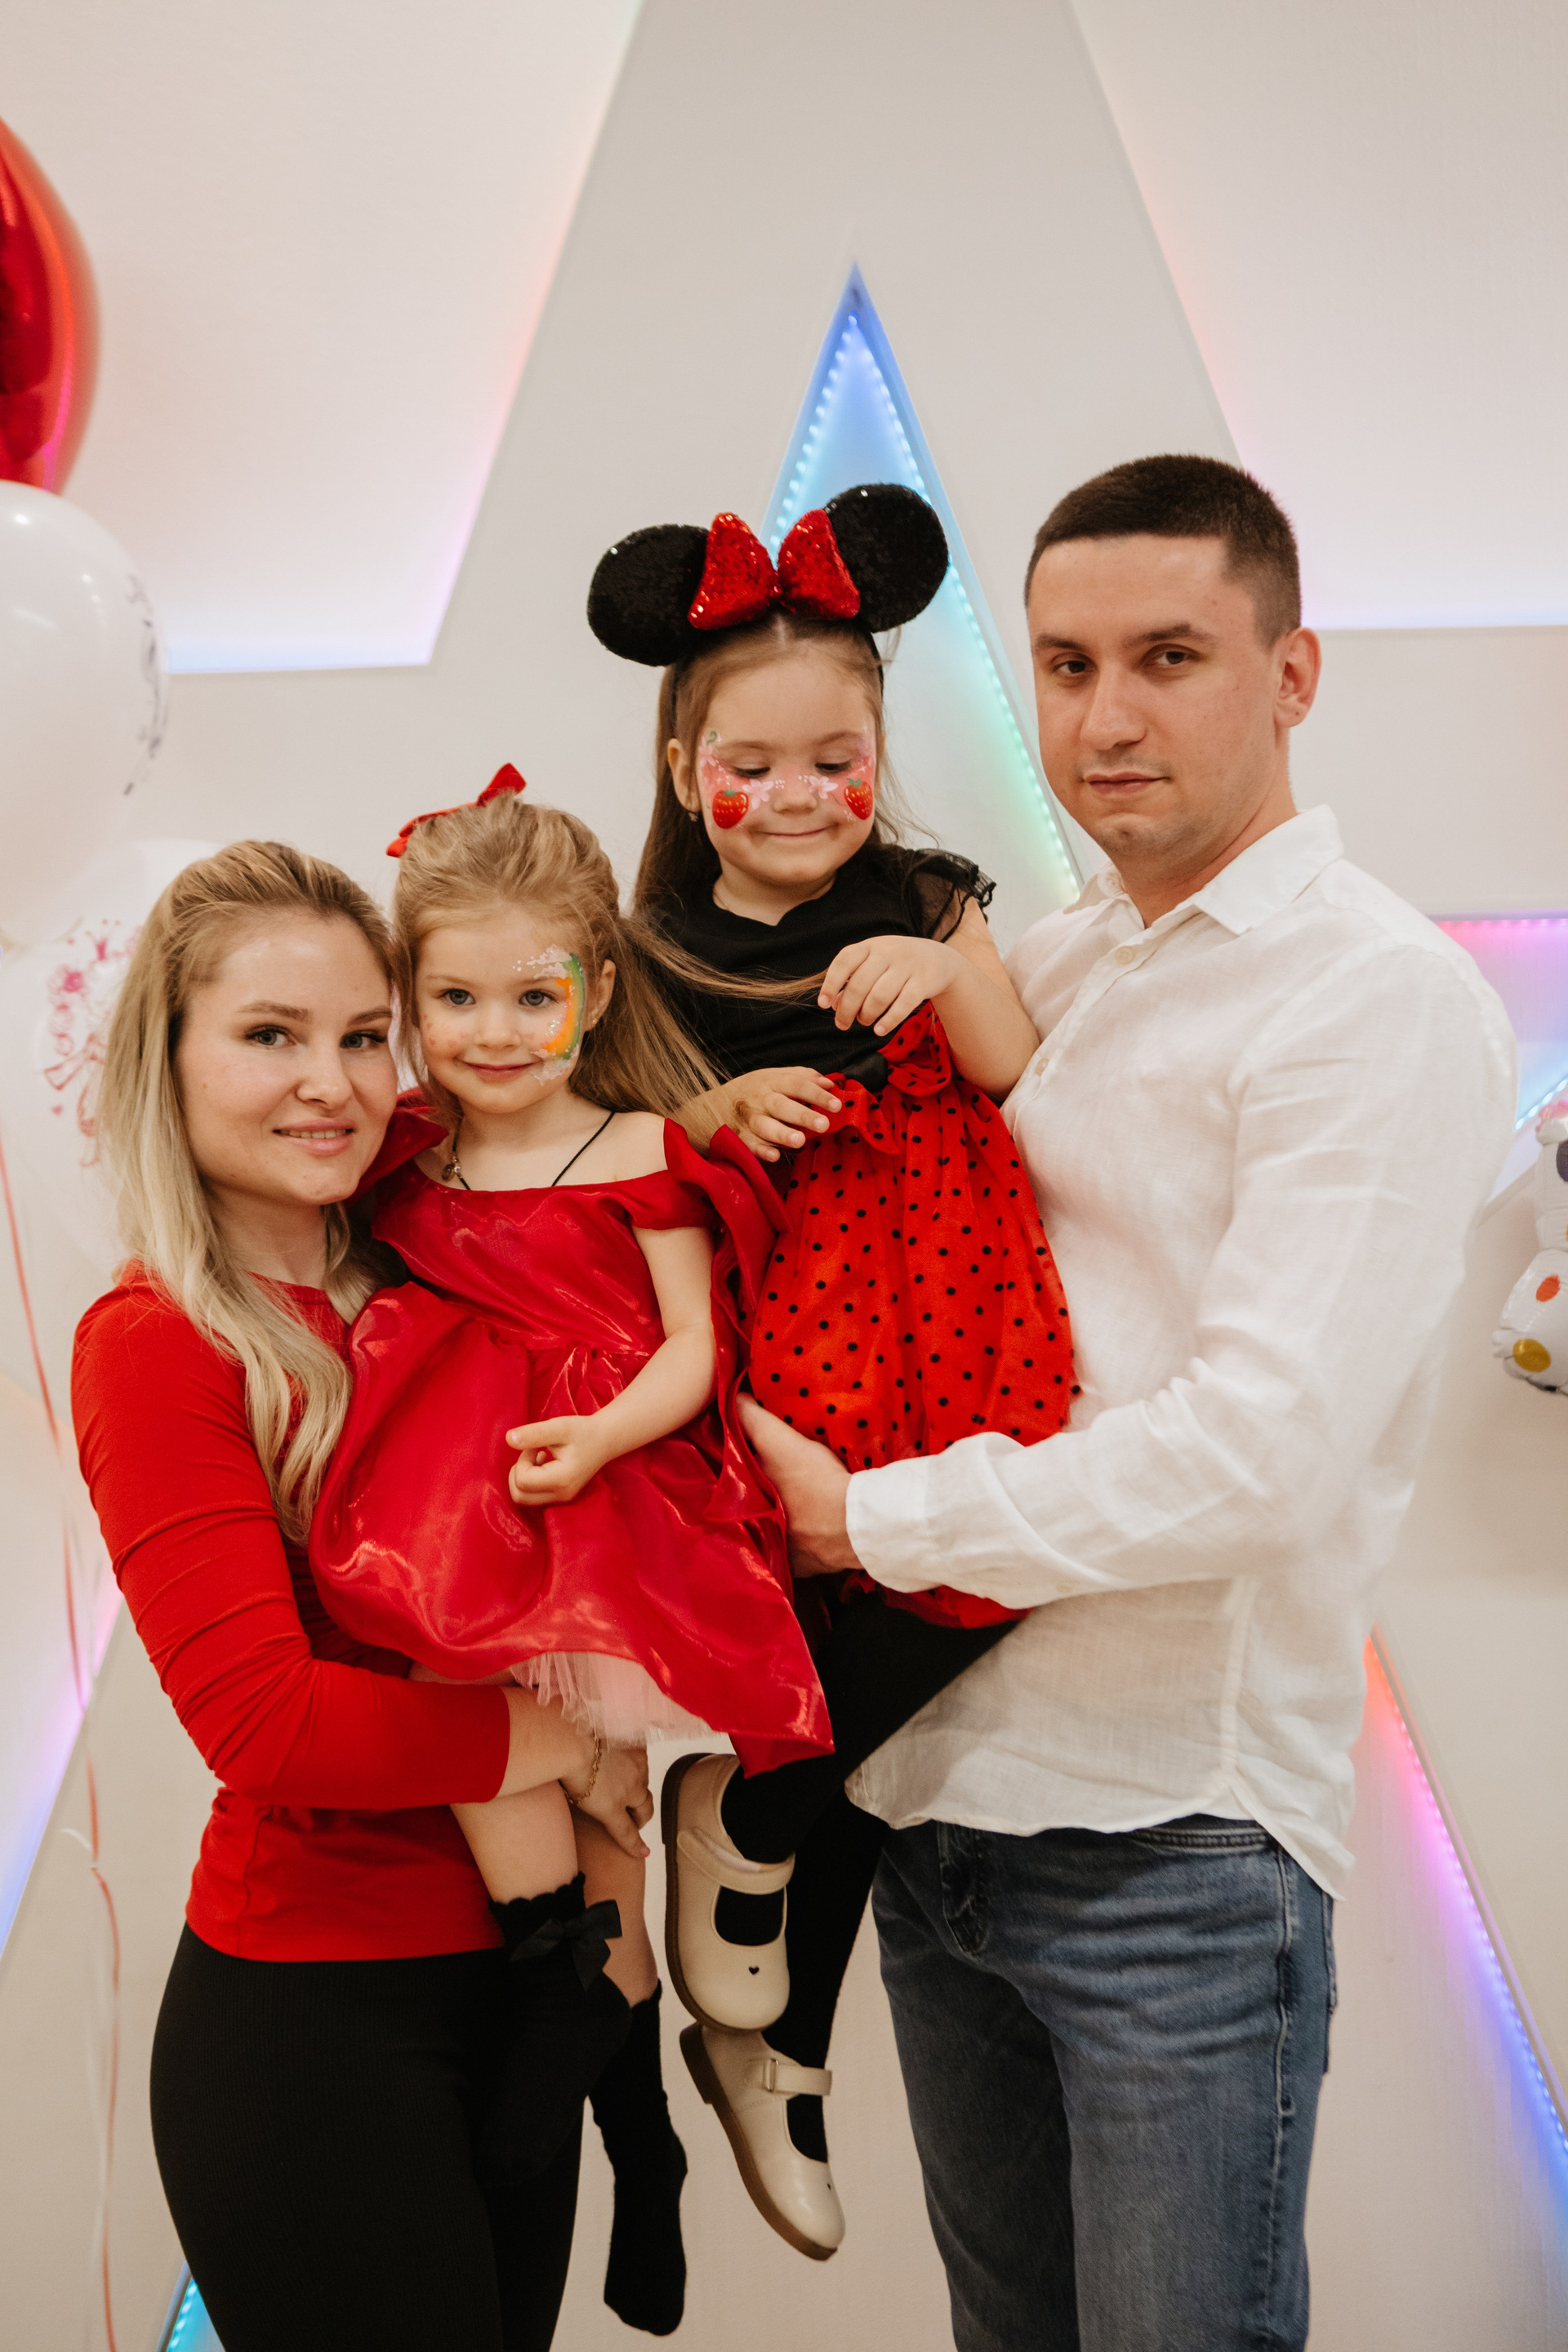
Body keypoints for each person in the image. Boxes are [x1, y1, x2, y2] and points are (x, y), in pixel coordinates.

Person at [739, 454, 1519, 2352]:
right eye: (1066, 664)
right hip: (934, 1806)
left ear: (1293, 672)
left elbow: (1255, 1457)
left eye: (1170, 657)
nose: (1105, 718)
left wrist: (862, 1520)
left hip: (1169, 1842)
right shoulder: (1046, 960)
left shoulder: (1372, 999)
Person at [72, 842, 653, 2352]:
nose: (329, 1084)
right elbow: (268, 1724)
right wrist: (568, 1744)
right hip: (317, 2019)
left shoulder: (441, 1265)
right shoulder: (159, 1341)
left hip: (523, 1984)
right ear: (170, 1056)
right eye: (269, 1035)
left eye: (361, 1035)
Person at [586, 484, 1075, 2261]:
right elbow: (609, 1147)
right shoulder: (654, 953)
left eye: (835, 762)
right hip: (790, 1320)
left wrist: (942, 969)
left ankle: (754, 1819)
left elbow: (1018, 1073)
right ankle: (778, 2037)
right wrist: (715, 1107)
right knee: (837, 1611)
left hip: (959, 1310)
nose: (797, 798)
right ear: (683, 766)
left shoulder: (935, 899)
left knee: (996, 1560)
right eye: (752, 767)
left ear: (881, 754)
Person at [306, 776, 829, 2332]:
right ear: (409, 1003)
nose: (495, 1033)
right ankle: (607, 2079)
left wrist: (600, 1440)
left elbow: (691, 1351)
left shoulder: (645, 1150)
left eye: (532, 997)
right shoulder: (402, 1164)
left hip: (606, 1520)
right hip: (456, 1522)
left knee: (609, 1810)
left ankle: (629, 2126)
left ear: (594, 988)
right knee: (482, 1727)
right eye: (455, 999)